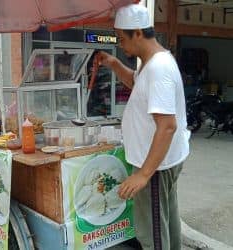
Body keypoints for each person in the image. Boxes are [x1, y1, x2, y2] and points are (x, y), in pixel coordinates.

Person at [95, 4, 190, 250]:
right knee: (166, 223)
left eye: (121, 39)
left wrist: (144, 174)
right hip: (161, 162)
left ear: (137, 33)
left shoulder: (158, 69)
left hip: (155, 166)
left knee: (152, 234)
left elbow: (167, 126)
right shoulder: (151, 64)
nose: (121, 44)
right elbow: (135, 84)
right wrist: (114, 64)